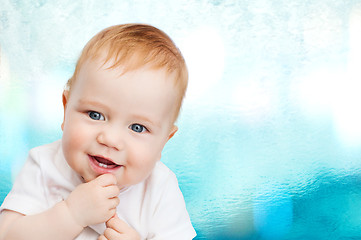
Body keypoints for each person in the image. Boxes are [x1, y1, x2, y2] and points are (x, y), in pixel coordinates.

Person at [0, 23, 196, 240]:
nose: (110, 140)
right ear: (66, 110)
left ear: (163, 143)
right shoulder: (43, 165)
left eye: (137, 127)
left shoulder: (161, 189)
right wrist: (71, 215)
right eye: (95, 115)